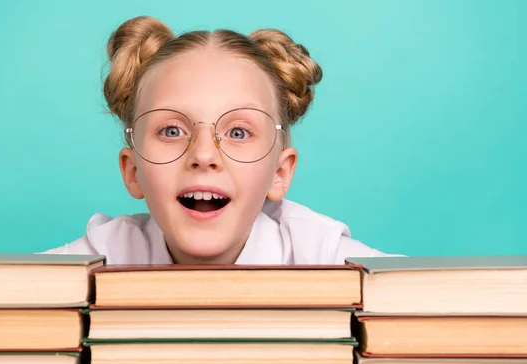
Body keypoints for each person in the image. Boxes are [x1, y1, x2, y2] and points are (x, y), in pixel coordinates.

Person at [44, 16, 393, 264]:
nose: (204, 154)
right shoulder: (103, 257)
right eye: (172, 130)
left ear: (280, 173)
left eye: (238, 132)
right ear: (132, 170)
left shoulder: (326, 257)